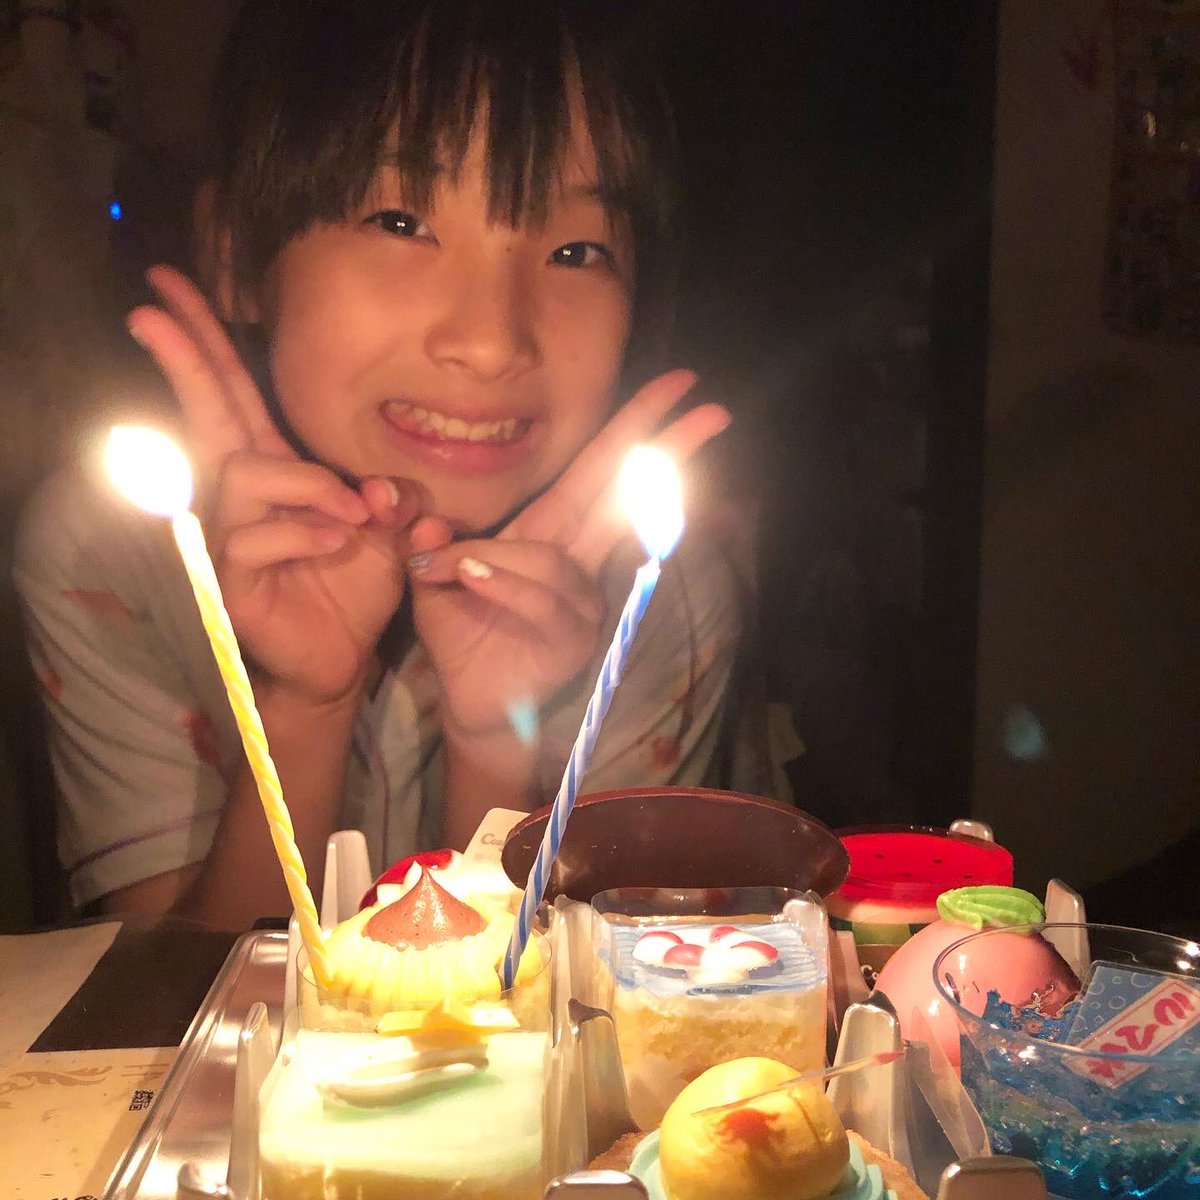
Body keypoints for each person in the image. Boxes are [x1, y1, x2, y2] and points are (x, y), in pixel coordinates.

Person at [15, 0, 793, 930]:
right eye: (399, 221)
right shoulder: (112, 557)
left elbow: (580, 1006)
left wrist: (493, 747)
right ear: (235, 254)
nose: (492, 342)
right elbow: (178, 1004)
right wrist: (304, 709)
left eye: (574, 250)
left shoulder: (659, 593)